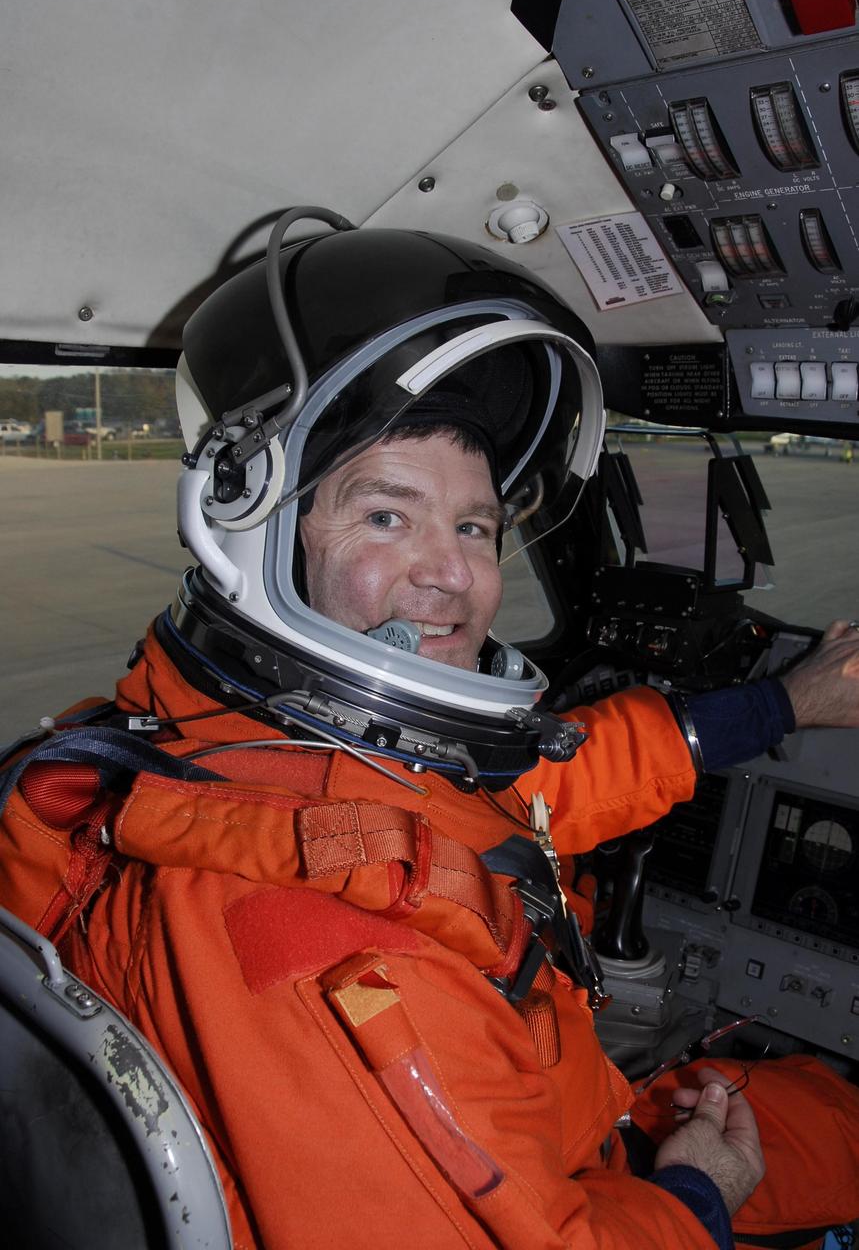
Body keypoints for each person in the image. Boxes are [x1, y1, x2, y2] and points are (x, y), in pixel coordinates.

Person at [2, 214, 858, 1249]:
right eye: (386, 515)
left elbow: (522, 798)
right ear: (259, 530)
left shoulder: (210, 751)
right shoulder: (341, 951)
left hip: (536, 1127)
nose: (452, 573)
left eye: (472, 526)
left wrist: (785, 704)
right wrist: (699, 1192)